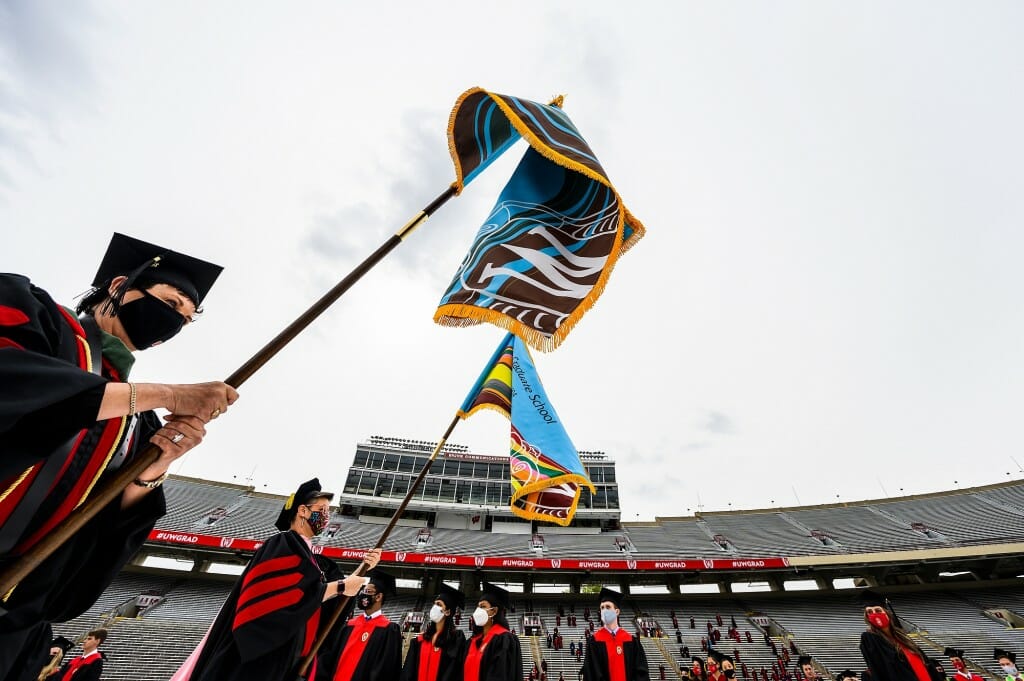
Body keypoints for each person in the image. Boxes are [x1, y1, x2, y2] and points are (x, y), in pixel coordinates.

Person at [1, 233, 239, 681]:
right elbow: (12, 384)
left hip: (18, 620)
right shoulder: (34, 315)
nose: (172, 324)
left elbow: (103, 529)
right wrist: (167, 393)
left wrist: (152, 470)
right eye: (170, 304)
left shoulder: (138, 423)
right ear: (119, 286)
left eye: (185, 321)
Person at [180, 479, 378, 680]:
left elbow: (313, 601)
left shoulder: (309, 555)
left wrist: (360, 572)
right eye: (322, 509)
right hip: (266, 657)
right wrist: (342, 586)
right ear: (302, 510)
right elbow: (281, 598)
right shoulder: (283, 543)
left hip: (288, 657)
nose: (326, 516)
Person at [327, 570, 402, 681]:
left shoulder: (389, 630)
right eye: (363, 590)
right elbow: (331, 658)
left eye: (368, 591)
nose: (363, 594)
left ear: (378, 597)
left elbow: (386, 669)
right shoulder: (349, 625)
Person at [857, 590, 942, 681]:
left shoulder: (902, 637)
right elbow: (881, 669)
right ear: (867, 617)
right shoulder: (870, 638)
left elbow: (926, 663)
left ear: (887, 614)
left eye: (878, 610)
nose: (874, 614)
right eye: (869, 612)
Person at [400, 583, 468, 681]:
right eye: (434, 604)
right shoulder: (419, 641)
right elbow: (408, 672)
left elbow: (455, 672)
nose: (434, 607)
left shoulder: (455, 641)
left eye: (439, 604)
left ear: (448, 612)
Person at [581, 587, 649, 681]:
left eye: (608, 607)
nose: (604, 610)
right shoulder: (594, 641)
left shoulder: (631, 641)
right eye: (602, 608)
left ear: (617, 611)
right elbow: (590, 674)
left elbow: (641, 673)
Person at [464, 582, 522, 681]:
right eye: (478, 607)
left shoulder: (504, 639)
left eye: (482, 606)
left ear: (494, 611)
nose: (478, 610)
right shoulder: (471, 641)